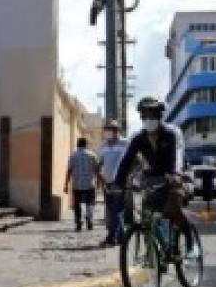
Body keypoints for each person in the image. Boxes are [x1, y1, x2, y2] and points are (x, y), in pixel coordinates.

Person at [111, 96, 192, 250]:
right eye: (145, 115)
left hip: (175, 175)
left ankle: (188, 240)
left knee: (174, 208)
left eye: (153, 114)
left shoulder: (172, 133)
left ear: (160, 115)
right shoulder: (138, 138)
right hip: (152, 178)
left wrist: (175, 174)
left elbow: (178, 155)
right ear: (141, 117)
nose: (149, 118)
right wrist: (117, 182)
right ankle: (154, 249)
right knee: (144, 213)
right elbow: (126, 160)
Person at [96, 119, 129, 247]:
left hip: (120, 182)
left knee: (117, 210)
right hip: (107, 183)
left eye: (113, 129)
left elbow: (135, 160)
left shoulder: (125, 143)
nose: (110, 131)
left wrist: (127, 177)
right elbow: (98, 164)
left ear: (118, 130)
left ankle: (111, 238)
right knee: (112, 211)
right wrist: (101, 181)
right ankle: (121, 237)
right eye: (108, 129)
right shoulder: (103, 145)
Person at [63, 137, 98, 232]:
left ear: (78, 144)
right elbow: (97, 170)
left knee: (77, 204)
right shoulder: (92, 155)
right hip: (90, 184)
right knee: (90, 203)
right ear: (86, 144)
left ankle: (78, 222)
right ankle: (89, 220)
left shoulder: (73, 155)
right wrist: (99, 183)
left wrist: (66, 184)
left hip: (77, 184)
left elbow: (69, 170)